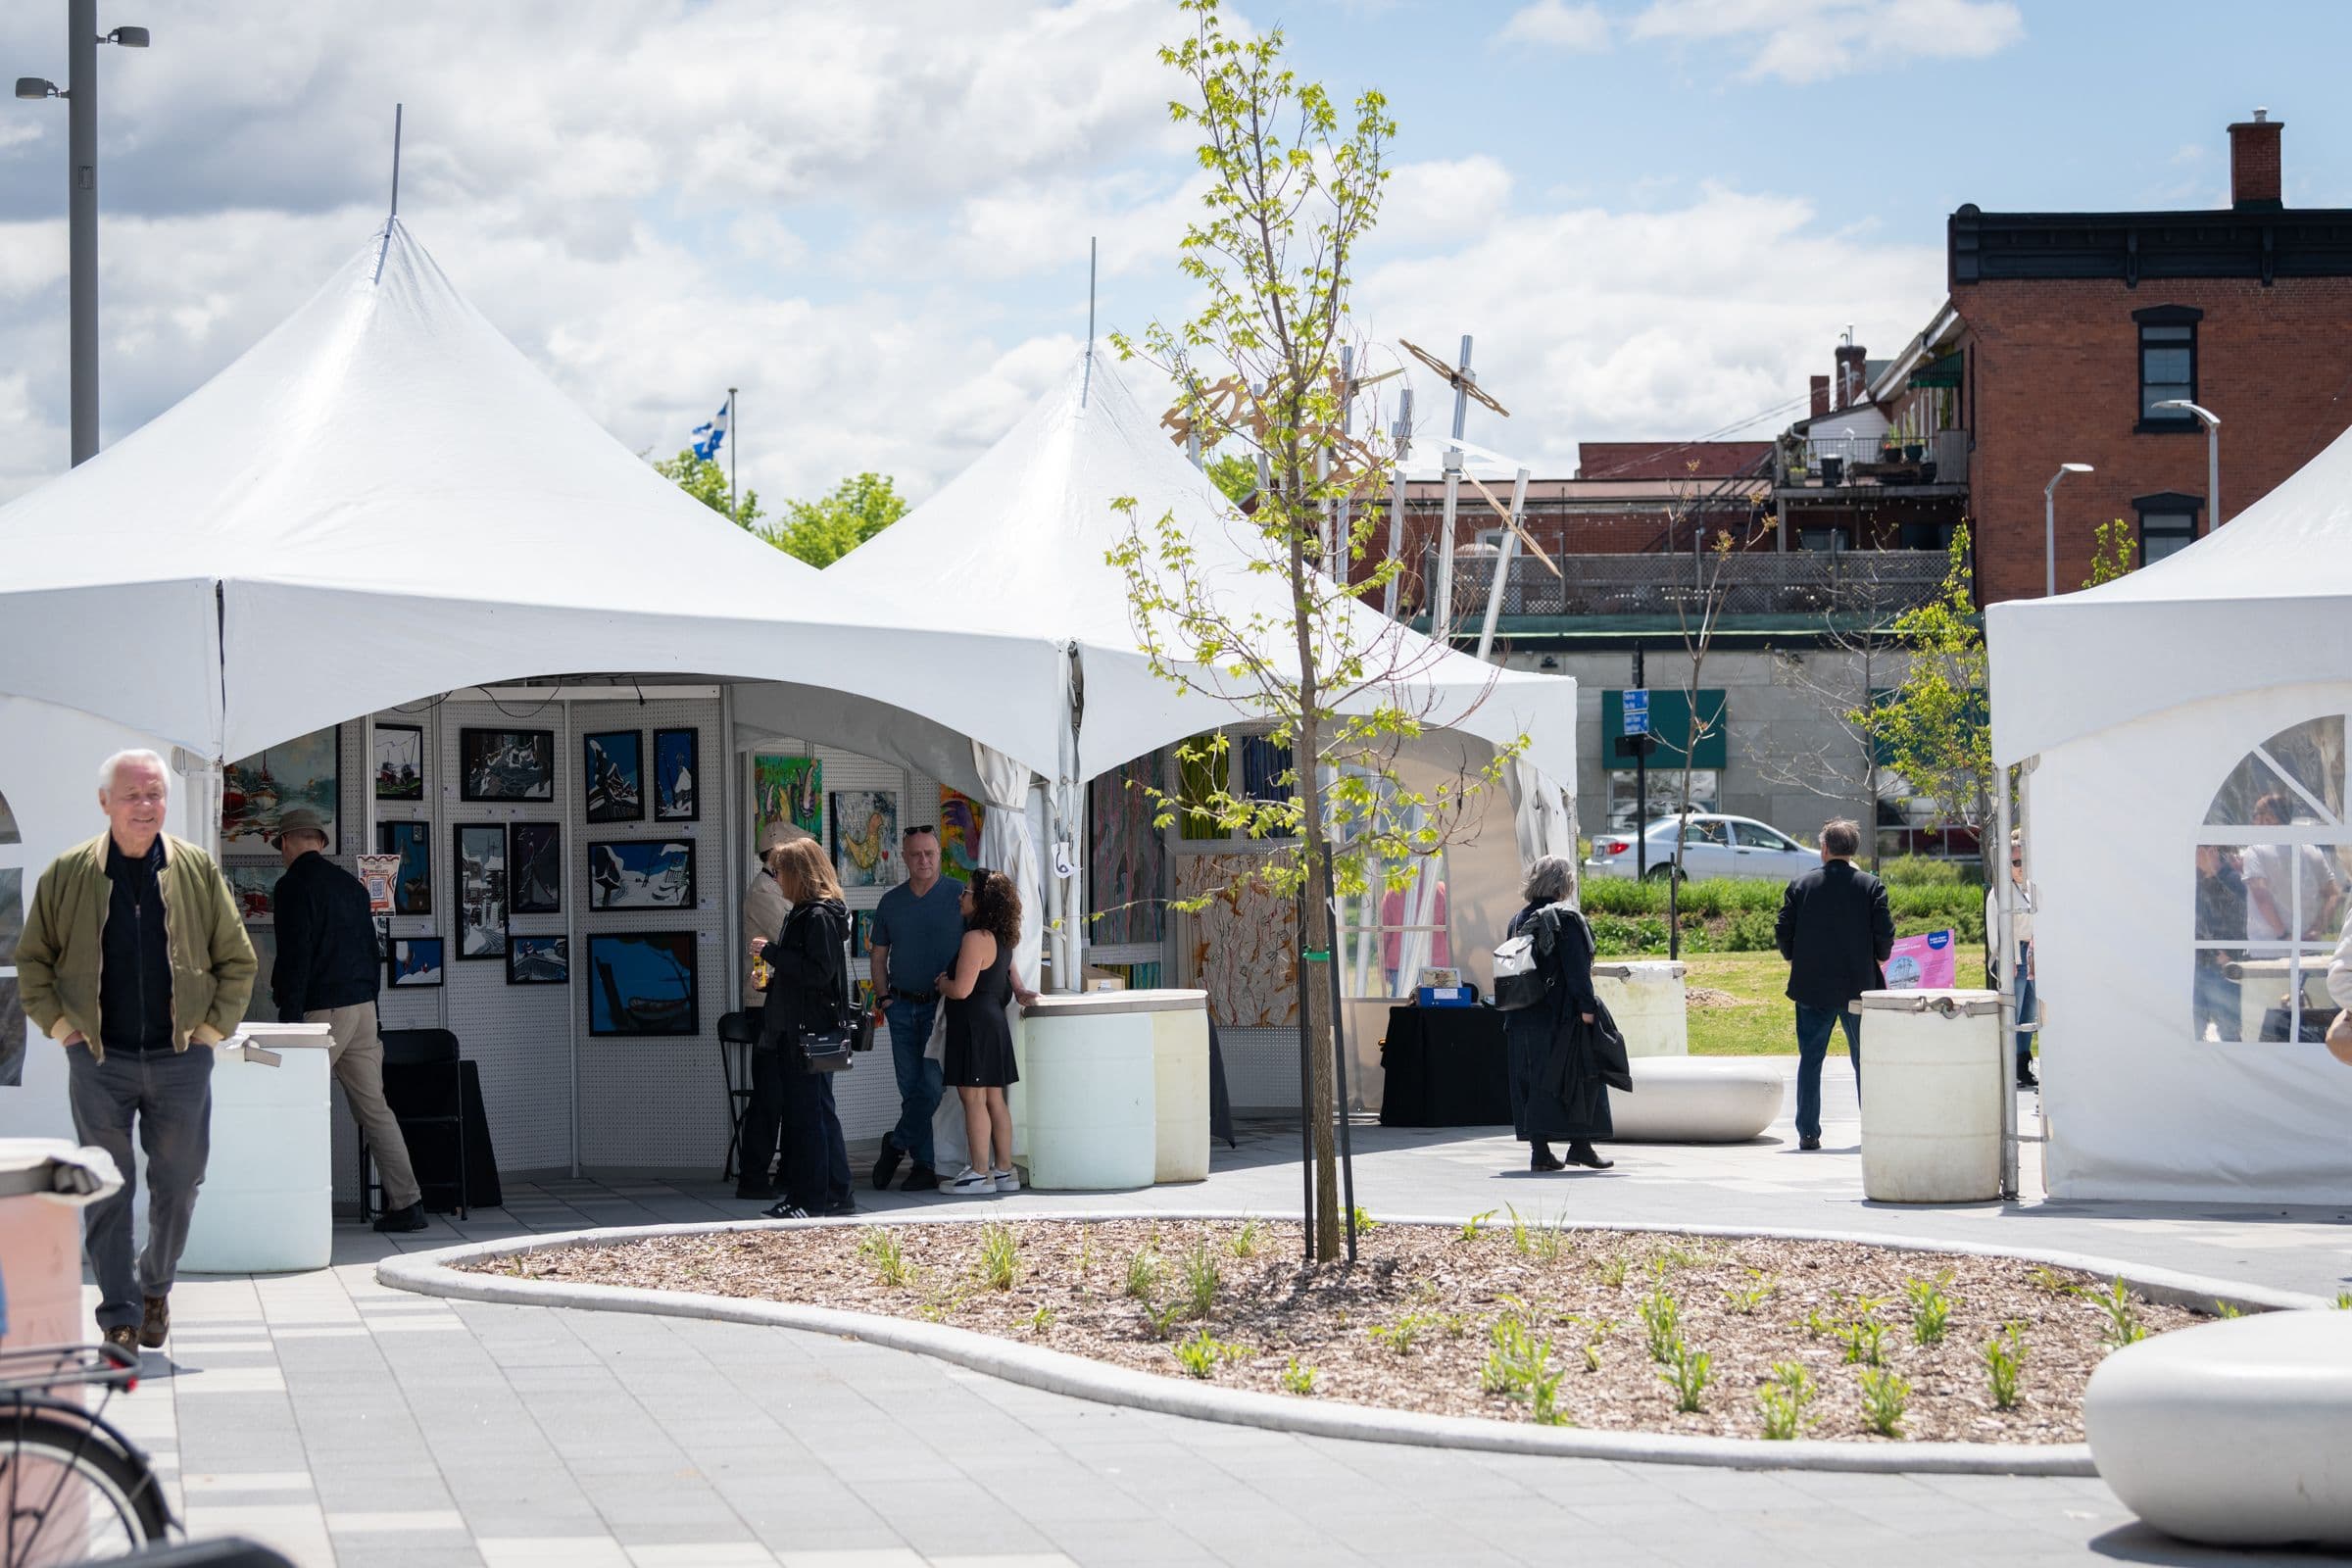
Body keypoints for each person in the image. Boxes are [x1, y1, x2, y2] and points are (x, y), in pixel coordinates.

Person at [15, 750, 255, 1353]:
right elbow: (32, 963)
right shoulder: (68, 873)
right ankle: (118, 1315)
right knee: (107, 1186)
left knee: (180, 1182)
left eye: (155, 795)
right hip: (99, 1061)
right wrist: (64, 1032)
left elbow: (238, 960)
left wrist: (207, 1035)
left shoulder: (195, 869)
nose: (146, 806)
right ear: (105, 802)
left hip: (180, 1060)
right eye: (133, 796)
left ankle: (156, 1287)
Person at [269, 808, 426, 1233]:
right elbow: (371, 952)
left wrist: (290, 1024)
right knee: (375, 1110)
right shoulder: (353, 887)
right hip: (363, 1009)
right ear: (320, 842)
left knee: (296, 1106)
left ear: (285, 843)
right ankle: (408, 1204)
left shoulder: (291, 887)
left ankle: (292, 1207)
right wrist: (370, 1003)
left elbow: (296, 958)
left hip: (323, 1011)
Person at [750, 839, 855, 1219]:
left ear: (798, 874)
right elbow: (810, 972)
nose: (776, 880)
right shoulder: (812, 913)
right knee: (816, 1113)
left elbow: (818, 972)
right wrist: (774, 979)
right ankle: (833, 1193)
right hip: (803, 1026)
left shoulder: (816, 916)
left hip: (806, 1030)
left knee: (807, 1118)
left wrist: (773, 954)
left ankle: (811, 1200)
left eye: (780, 872)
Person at [1776, 818, 1893, 1152]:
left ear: (1824, 849)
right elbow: (1884, 932)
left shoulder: (1801, 885)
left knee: (1811, 1058)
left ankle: (1808, 1132)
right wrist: (1880, 957)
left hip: (1812, 986)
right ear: (1853, 849)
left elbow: (1783, 929)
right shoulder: (1871, 885)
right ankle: (1873, 1127)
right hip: (1858, 985)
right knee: (1863, 1058)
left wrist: (1793, 958)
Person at [866, 824, 964, 1194]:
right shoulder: (891, 901)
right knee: (910, 1088)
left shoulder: (958, 895)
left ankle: (896, 1144)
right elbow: (879, 956)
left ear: (939, 854)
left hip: (942, 1009)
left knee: (932, 1086)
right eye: (916, 854)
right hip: (901, 1007)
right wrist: (884, 998)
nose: (924, 860)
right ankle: (923, 1165)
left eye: (930, 853)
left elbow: (983, 941)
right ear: (904, 858)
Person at [1499, 855, 1613, 1172]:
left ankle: (1541, 1152)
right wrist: (1588, 1011)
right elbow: (1578, 972)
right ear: (1564, 884)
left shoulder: (1518, 920)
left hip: (1522, 1014)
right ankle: (1581, 1145)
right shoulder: (1566, 919)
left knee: (1535, 1082)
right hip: (1560, 1016)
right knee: (1583, 1076)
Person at [937, 868, 1040, 1195]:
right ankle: (1004, 1170)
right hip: (993, 1022)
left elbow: (962, 990)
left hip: (973, 1024)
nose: (961, 897)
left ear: (982, 900)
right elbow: (1013, 979)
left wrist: (942, 983)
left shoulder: (975, 938)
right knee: (995, 1098)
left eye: (966, 892)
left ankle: (979, 1172)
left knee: (973, 1098)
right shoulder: (1003, 938)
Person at [734, 820, 812, 1200]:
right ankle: (753, 1175)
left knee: (786, 1092)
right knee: (770, 1094)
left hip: (782, 1004)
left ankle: (786, 1172)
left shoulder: (779, 889)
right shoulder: (764, 891)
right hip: (767, 1006)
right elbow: (792, 938)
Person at [1983, 830, 2039, 1089]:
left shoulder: (2030, 889)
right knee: (2012, 1016)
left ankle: (2022, 1064)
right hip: (2014, 958)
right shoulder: (1999, 893)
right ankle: (2007, 1067)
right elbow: (1996, 935)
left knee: (2029, 1015)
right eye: (2015, 863)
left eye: (2023, 862)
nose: (2020, 868)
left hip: (2032, 956)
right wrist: (2007, 961)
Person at [2193, 845, 2248, 1041]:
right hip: (2198, 964)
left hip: (2221, 967)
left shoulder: (2231, 880)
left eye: (2198, 852)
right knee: (2194, 1027)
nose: (2194, 858)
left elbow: (2240, 919)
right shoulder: (2196, 882)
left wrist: (2230, 955)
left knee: (2228, 1028)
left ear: (2211, 851)